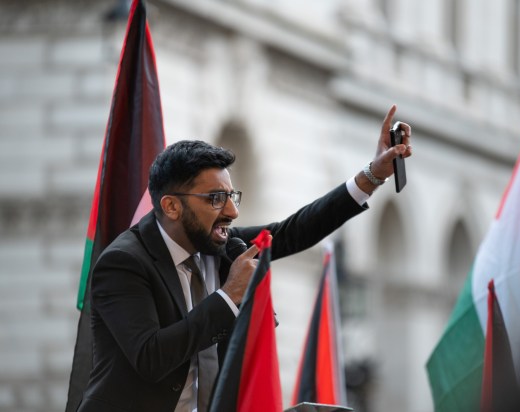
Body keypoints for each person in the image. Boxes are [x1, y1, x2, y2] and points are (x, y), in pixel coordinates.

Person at [77, 105, 412, 411]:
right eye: (216, 199)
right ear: (172, 206)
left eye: (232, 196)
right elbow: (150, 357)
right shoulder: (123, 263)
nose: (232, 212)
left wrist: (372, 175)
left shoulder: (221, 245)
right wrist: (229, 296)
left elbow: (293, 231)